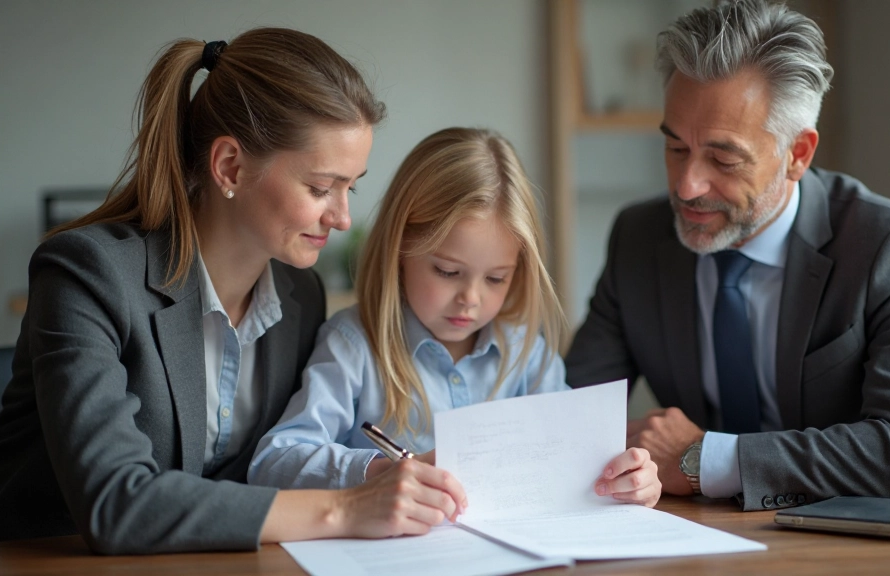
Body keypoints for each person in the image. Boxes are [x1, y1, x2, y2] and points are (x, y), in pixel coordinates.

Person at [0, 28, 467, 553]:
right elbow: (117, 503)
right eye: (319, 188)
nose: (342, 217)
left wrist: (377, 473)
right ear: (229, 166)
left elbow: (273, 464)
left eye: (349, 187)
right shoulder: (86, 275)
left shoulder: (300, 295)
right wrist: (348, 506)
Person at [564, 0, 890, 511]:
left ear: (798, 154)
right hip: (700, 531)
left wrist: (702, 458)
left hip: (869, 534)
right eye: (676, 148)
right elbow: (571, 416)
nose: (686, 185)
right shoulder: (638, 236)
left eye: (723, 158)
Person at [248, 127, 662, 509]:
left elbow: (579, 458)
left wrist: (628, 476)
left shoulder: (526, 356)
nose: (471, 299)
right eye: (447, 272)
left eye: (497, 278)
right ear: (400, 251)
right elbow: (274, 462)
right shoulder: (354, 345)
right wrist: (379, 472)